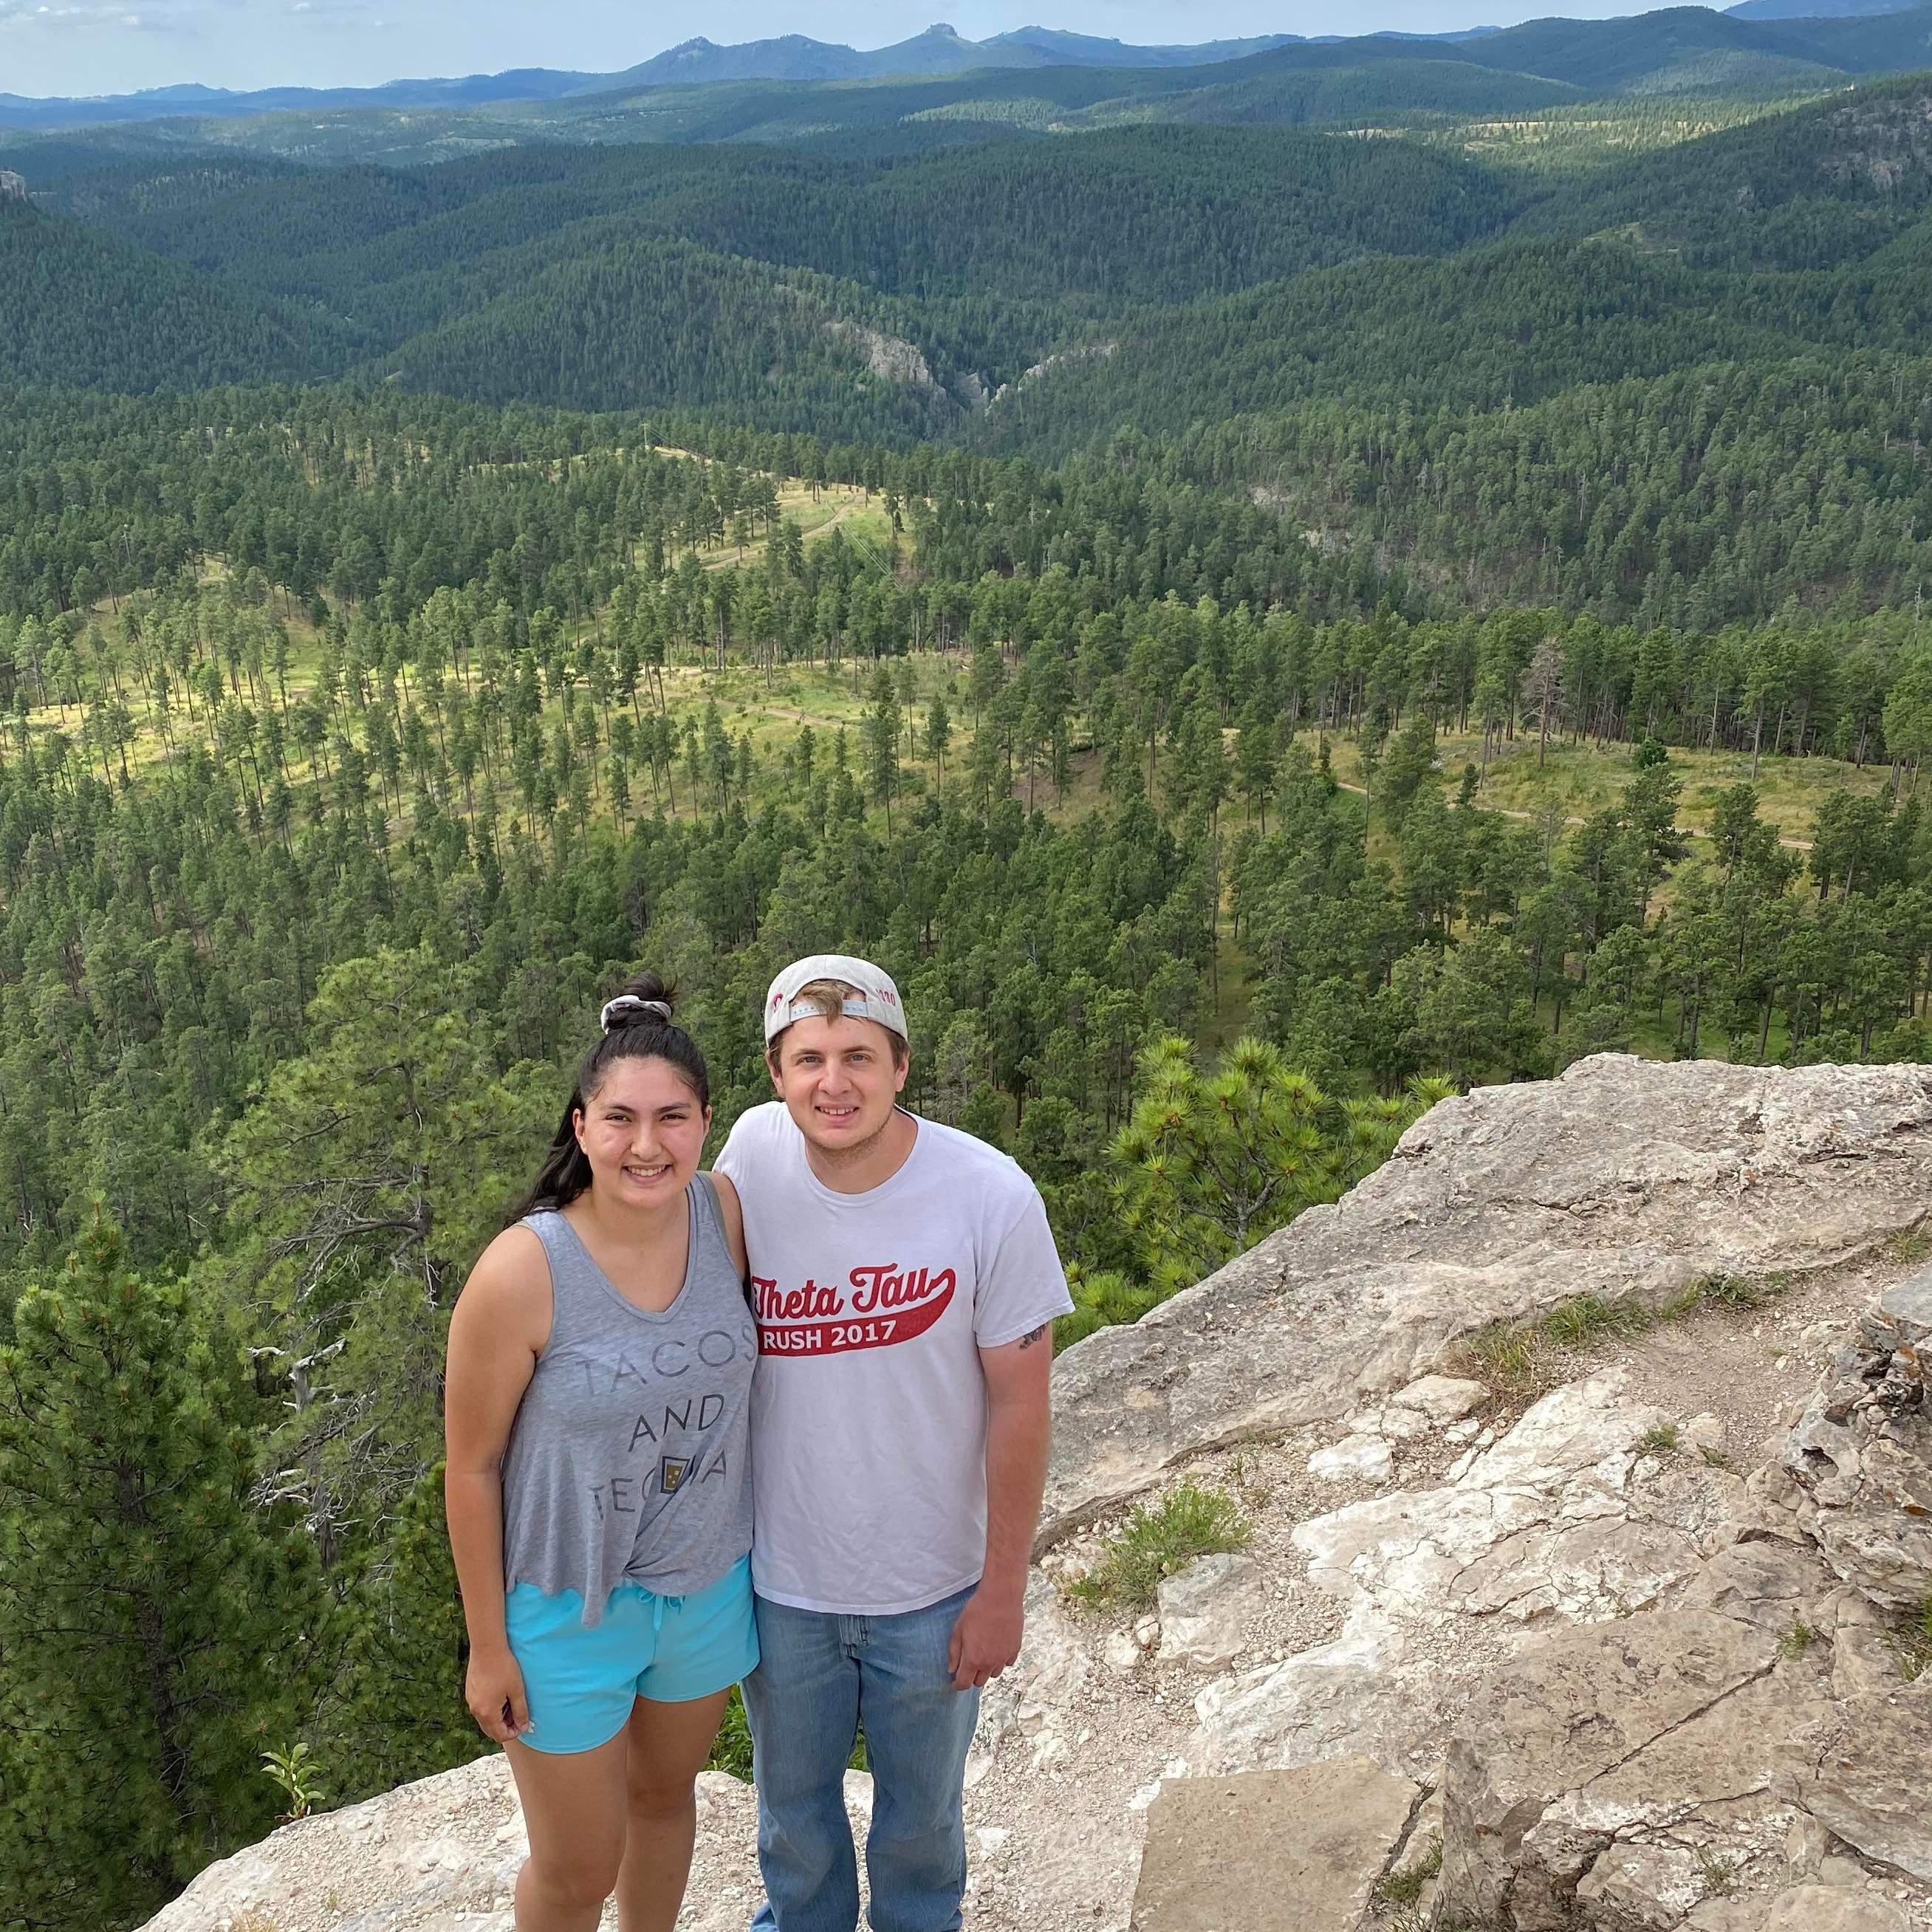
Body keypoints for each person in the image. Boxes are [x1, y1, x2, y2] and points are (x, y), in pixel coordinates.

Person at [716, 953, 1072, 1932]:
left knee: (921, 1830)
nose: (835, 1083)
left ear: (902, 1065)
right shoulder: (748, 1156)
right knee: (793, 1826)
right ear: (776, 1073)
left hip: (933, 1588)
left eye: (859, 1057)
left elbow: (1021, 1405)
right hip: (784, 1583)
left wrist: (1004, 1589)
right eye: (810, 1059)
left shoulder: (990, 1197)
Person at [445, 973, 759, 1932]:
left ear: (706, 1121)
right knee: (578, 1871)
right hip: (565, 1612)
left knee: (666, 1803)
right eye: (619, 1119)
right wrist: (490, 1646)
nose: (646, 1144)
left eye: (671, 1118)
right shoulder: (524, 1272)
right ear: (580, 1127)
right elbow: (471, 1466)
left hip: (704, 1590)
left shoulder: (726, 1219)